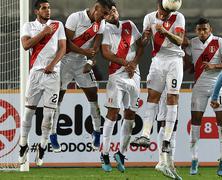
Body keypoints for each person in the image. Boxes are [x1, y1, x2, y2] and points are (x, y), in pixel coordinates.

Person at [130, 0, 185, 178]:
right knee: (152, 97)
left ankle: (167, 141)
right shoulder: (148, 18)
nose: (168, 13)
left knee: (172, 98)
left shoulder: (179, 17)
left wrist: (165, 31)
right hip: (157, 61)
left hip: (174, 61)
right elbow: (144, 44)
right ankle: (145, 135)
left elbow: (179, 41)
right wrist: (145, 37)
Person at [49, 0, 110, 152]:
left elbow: (95, 46)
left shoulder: (100, 23)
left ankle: (96, 132)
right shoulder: (75, 18)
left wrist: (89, 60)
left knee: (93, 96)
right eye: (103, 13)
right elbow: (67, 45)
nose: (104, 17)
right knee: (58, 98)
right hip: (65, 61)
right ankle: (53, 134)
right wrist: (85, 52)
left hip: (82, 63)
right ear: (96, 8)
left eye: (107, 14)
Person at [184, 17, 222, 176]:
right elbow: (189, 68)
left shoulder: (219, 42)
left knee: (221, 123)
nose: (202, 32)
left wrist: (214, 65)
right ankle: (194, 160)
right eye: (199, 29)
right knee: (196, 123)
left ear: (210, 29)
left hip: (218, 87)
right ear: (196, 31)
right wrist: (182, 52)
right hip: (199, 87)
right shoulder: (192, 43)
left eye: (205, 29)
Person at [19, 0, 66, 166]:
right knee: (28, 112)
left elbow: (62, 48)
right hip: (35, 74)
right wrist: (44, 33)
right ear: (36, 11)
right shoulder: (28, 26)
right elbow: (25, 45)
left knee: (49, 116)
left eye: (49, 8)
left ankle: (42, 146)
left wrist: (53, 64)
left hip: (53, 75)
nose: (48, 11)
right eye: (44, 8)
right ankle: (23, 144)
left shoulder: (58, 25)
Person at [100, 0, 145, 173]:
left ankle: (120, 153)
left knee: (131, 114)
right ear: (105, 15)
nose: (112, 13)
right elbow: (106, 53)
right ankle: (104, 154)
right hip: (116, 76)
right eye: (108, 12)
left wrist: (133, 63)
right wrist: (126, 63)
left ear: (117, 11)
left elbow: (141, 45)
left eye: (114, 10)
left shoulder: (129, 25)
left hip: (134, 75)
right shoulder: (104, 29)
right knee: (112, 113)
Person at [155, 91, 181, 179]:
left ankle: (171, 166)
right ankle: (162, 161)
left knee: (173, 127)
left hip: (175, 90)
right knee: (165, 123)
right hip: (167, 91)